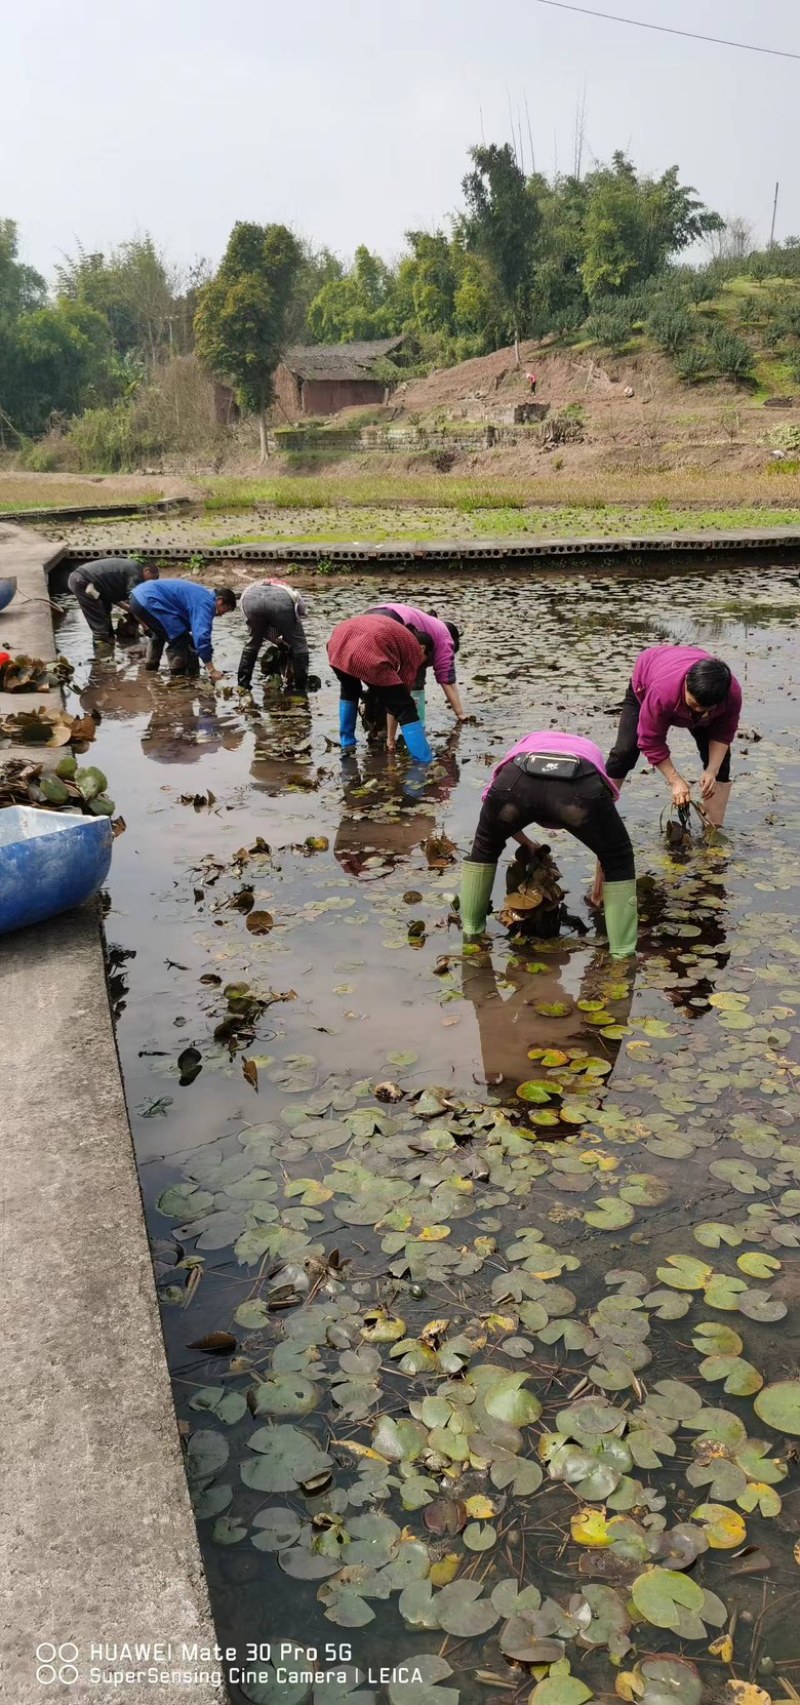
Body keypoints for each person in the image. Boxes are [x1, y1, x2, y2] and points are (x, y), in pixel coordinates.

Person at [458, 731, 637, 959]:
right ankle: (622, 954)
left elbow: (492, 805)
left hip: (516, 785)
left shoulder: (521, 747)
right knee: (618, 857)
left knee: (484, 846)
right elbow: (605, 822)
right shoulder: (590, 752)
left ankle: (471, 934)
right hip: (577, 792)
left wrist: (525, 843)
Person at [606, 647, 741, 827]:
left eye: (704, 709)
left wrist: (712, 771)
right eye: (693, 704)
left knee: (721, 763)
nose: (697, 711)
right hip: (648, 680)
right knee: (625, 752)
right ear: (686, 682)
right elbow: (651, 740)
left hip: (697, 691)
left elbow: (723, 732)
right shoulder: (661, 691)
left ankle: (713, 828)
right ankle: (600, 811)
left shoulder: (731, 694)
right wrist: (675, 780)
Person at [326, 612, 434, 763]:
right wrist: (391, 738)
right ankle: (424, 759)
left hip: (336, 644)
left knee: (350, 690)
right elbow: (400, 698)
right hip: (367, 649)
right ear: (423, 649)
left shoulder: (398, 631)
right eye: (425, 661)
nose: (420, 665)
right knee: (405, 708)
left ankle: (347, 744)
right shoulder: (415, 649)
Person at [366, 602, 466, 744]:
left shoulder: (426, 626)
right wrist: (460, 713)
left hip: (368, 617)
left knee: (381, 682)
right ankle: (411, 732)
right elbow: (447, 678)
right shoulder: (444, 636)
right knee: (408, 684)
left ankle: (378, 732)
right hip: (392, 620)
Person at [129, 577, 236, 682]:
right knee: (179, 639)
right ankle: (178, 679)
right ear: (220, 601)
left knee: (161, 633)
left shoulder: (202, 595)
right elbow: (202, 636)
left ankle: (150, 669)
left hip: (137, 597)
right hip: (149, 600)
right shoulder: (206, 604)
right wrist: (211, 669)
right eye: (225, 610)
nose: (222, 615)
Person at [238, 578, 310, 692]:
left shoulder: (254, 585)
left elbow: (263, 631)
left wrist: (279, 642)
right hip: (281, 600)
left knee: (253, 643)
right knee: (300, 645)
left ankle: (243, 686)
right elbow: (300, 612)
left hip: (249, 599)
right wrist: (292, 638)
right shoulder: (288, 589)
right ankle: (300, 688)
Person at [67, 557, 159, 646]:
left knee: (106, 610)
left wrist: (126, 606)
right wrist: (146, 628)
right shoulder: (136, 574)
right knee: (99, 619)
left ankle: (110, 640)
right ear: (146, 571)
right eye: (151, 579)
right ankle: (102, 654)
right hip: (84, 581)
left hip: (94, 583)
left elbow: (112, 594)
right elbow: (134, 602)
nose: (149, 583)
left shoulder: (131, 571)